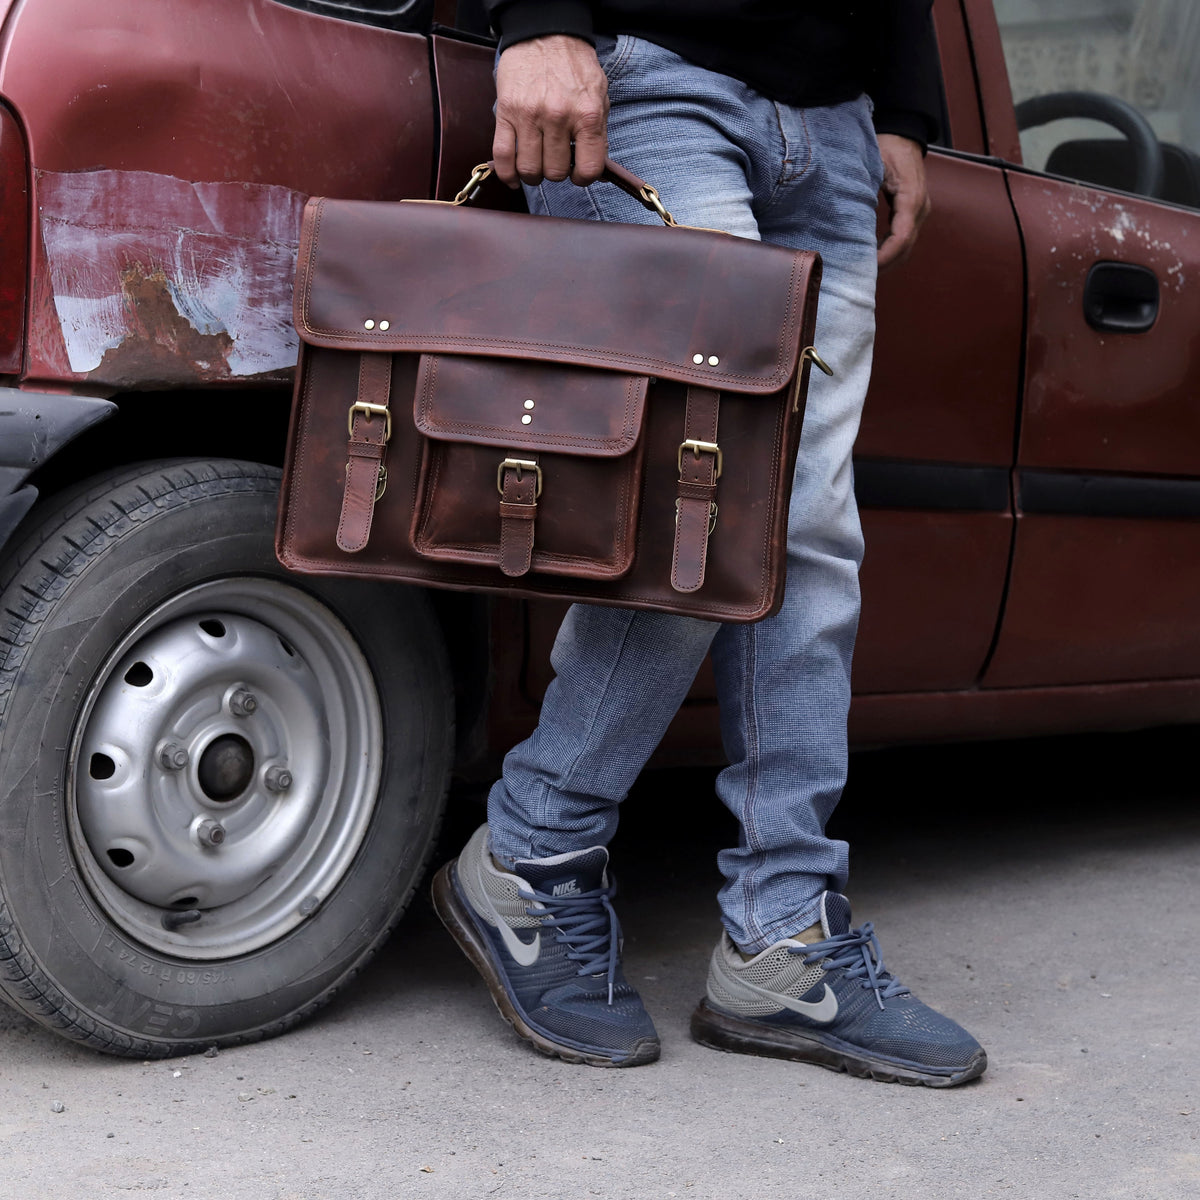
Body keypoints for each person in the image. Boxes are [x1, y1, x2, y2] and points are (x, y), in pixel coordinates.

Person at [431, 0, 987, 1087]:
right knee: (714, 501)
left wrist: (908, 106)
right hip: (650, 82)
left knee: (809, 531)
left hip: (832, 124)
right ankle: (531, 853)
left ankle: (782, 937)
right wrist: (538, 16)